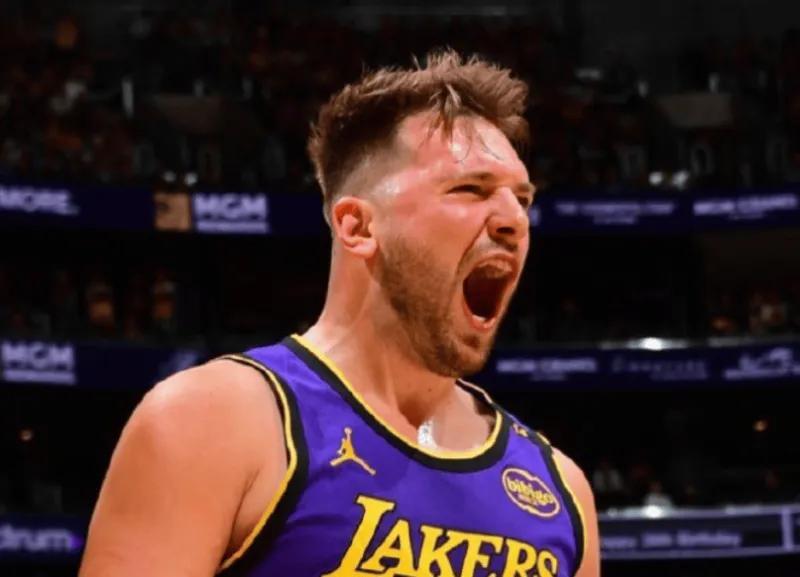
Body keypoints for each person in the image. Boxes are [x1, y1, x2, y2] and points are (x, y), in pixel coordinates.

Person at [79, 50, 600, 577]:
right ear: (358, 227)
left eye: (523, 199)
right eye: (471, 189)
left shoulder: (562, 490)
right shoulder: (213, 421)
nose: (514, 220)